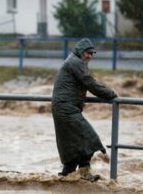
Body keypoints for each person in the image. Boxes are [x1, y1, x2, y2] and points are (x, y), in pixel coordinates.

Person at [51, 38, 118, 181]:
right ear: (81, 52)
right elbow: (90, 82)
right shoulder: (75, 62)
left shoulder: (74, 61)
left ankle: (67, 178)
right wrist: (111, 94)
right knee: (89, 139)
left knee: (73, 145)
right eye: (88, 53)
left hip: (64, 107)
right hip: (66, 108)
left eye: (92, 53)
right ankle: (83, 174)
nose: (90, 56)